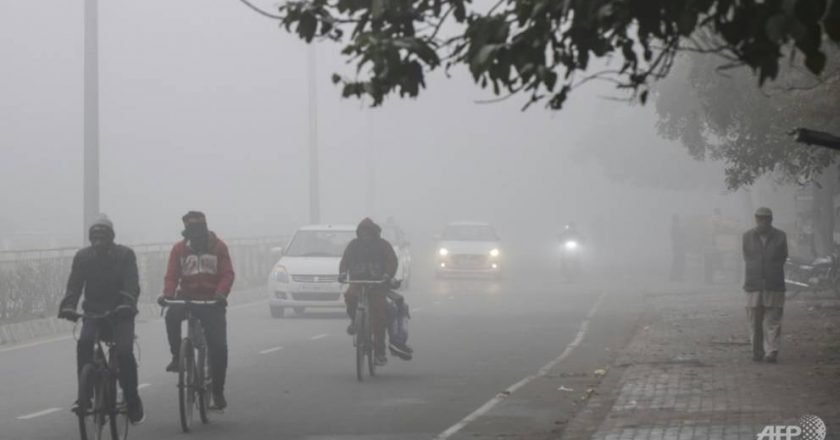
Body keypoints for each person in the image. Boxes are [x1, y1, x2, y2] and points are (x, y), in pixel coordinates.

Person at [57, 214, 144, 424]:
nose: (99, 242)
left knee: (124, 353)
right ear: (90, 239)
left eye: (103, 237)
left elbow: (132, 283)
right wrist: (68, 306)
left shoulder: (125, 255)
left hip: (120, 313)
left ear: (111, 237)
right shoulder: (83, 257)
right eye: (94, 238)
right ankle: (85, 397)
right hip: (93, 313)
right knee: (84, 344)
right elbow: (74, 285)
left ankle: (132, 399)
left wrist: (127, 302)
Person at [159, 211, 235, 409]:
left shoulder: (219, 247)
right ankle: (177, 357)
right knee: (171, 316)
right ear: (187, 234)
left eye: (199, 233)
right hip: (187, 298)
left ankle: (217, 392)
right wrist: (167, 295)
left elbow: (227, 274)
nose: (196, 238)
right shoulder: (179, 249)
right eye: (192, 234)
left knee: (218, 347)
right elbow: (171, 275)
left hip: (212, 302)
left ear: (205, 230)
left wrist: (221, 294)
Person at [339, 218, 398, 366]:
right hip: (357, 282)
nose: (365, 235)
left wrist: (387, 275)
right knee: (350, 296)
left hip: (377, 284)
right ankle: (354, 321)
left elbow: (392, 261)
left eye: (368, 232)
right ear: (359, 233)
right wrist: (342, 273)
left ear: (373, 233)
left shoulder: (383, 245)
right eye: (363, 232)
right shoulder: (353, 245)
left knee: (379, 317)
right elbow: (345, 260)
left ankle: (379, 352)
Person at [742, 207, 788, 363]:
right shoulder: (747, 236)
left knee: (773, 320)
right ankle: (757, 351)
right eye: (760, 218)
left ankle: (772, 351)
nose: (763, 221)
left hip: (774, 284)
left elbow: (782, 257)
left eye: (766, 218)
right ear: (756, 219)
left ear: (771, 220)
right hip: (753, 284)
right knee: (754, 320)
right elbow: (747, 256)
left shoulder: (780, 236)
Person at [670, 214, 686, 282]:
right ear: (677, 220)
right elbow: (681, 236)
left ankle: (674, 276)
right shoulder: (676, 227)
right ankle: (677, 276)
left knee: (676, 261)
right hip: (678, 246)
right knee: (679, 261)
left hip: (676, 246)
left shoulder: (673, 227)